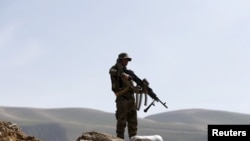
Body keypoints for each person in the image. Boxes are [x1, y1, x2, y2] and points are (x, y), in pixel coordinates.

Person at [109, 52, 138, 139]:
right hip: (122, 98)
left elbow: (133, 84)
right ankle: (119, 140)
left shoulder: (129, 72)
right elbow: (112, 72)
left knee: (133, 123)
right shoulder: (114, 69)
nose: (127, 62)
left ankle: (133, 139)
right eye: (125, 60)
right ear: (121, 60)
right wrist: (123, 74)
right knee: (121, 122)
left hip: (131, 99)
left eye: (128, 60)